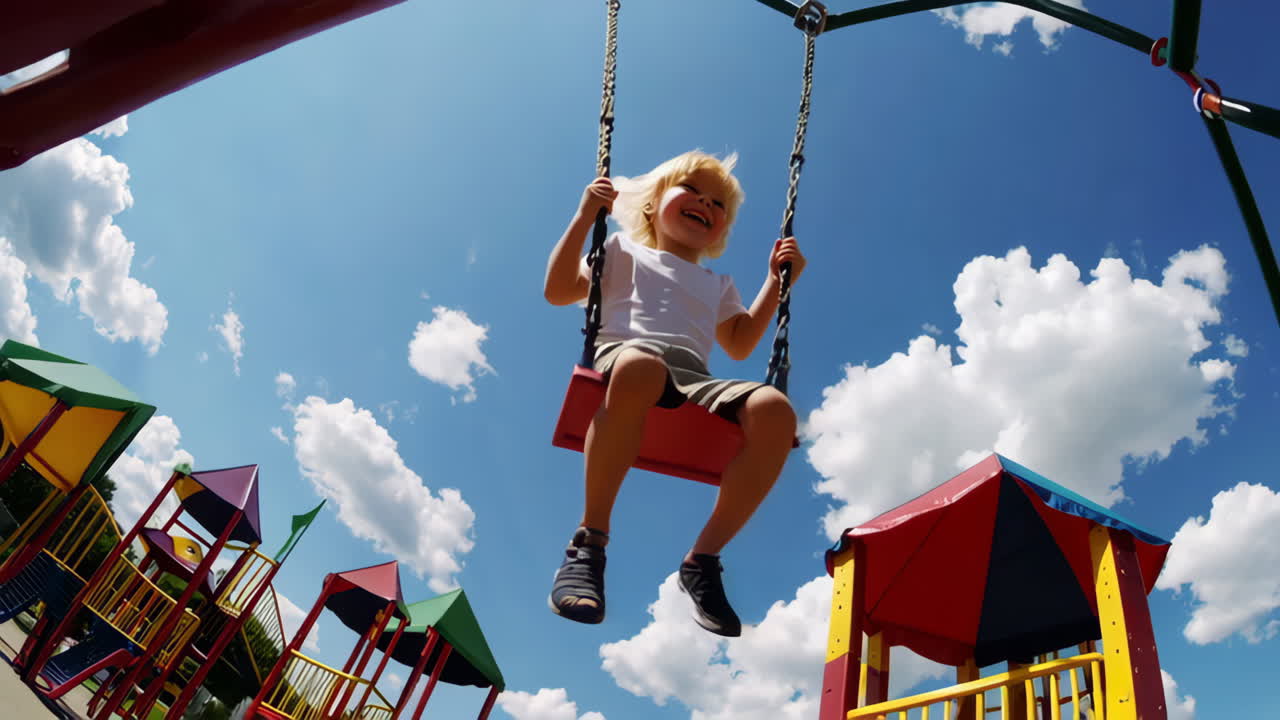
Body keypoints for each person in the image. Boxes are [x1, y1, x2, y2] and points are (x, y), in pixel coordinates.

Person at [542, 150, 806, 637]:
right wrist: (584, 218)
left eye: (718, 203)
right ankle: (589, 542)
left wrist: (776, 281)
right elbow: (558, 290)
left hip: (695, 377)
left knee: (776, 409)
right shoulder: (622, 249)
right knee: (642, 365)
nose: (705, 204)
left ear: (721, 229)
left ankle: (702, 560)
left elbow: (741, 341)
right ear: (651, 206)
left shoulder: (717, 282)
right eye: (692, 192)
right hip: (627, 354)